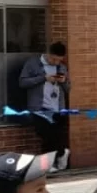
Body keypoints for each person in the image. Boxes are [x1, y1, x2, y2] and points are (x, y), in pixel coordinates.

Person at [19, 42, 71, 170]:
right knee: (46, 135)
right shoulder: (33, 63)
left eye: (59, 60)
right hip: (39, 108)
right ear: (48, 54)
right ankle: (61, 153)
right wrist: (44, 78)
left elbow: (68, 89)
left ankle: (51, 163)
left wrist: (63, 82)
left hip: (58, 108)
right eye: (54, 59)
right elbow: (22, 82)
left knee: (54, 137)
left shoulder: (62, 68)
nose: (56, 62)